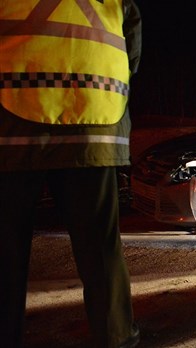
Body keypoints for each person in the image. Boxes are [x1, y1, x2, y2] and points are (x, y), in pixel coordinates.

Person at [0, 1, 142, 346]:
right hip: (93, 123)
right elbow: (132, 56)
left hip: (12, 125)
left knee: (5, 251)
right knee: (100, 247)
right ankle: (117, 338)